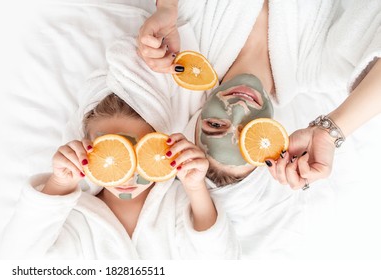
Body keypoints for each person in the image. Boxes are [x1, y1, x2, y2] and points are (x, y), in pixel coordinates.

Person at [0, 37, 239, 259]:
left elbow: (221, 262)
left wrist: (196, 188)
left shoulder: (179, 205)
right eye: (109, 152)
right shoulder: (73, 216)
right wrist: (58, 186)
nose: (128, 173)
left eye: (139, 153)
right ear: (85, 149)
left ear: (160, 146)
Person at [139, 0, 381, 190]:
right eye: (249, 131)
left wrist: (167, 6)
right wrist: (328, 133)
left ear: (200, 113)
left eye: (215, 124)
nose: (239, 109)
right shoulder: (321, 66)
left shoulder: (189, 36)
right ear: (273, 138)